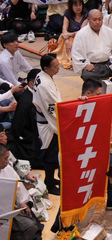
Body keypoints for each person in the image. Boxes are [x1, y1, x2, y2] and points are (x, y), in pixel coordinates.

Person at [71, 9, 112, 82]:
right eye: (94, 20)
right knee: (88, 75)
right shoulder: (81, 34)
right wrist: (85, 65)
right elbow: (77, 54)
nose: (97, 22)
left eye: (100, 19)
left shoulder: (108, 31)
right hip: (93, 66)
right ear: (88, 19)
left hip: (109, 63)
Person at [32, 54, 60, 194]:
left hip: (46, 119)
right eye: (55, 66)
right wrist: (62, 124)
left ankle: (51, 179)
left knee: (53, 152)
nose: (58, 68)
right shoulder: (44, 85)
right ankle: (49, 184)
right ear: (46, 68)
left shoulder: (43, 76)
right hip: (48, 122)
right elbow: (52, 110)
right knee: (50, 155)